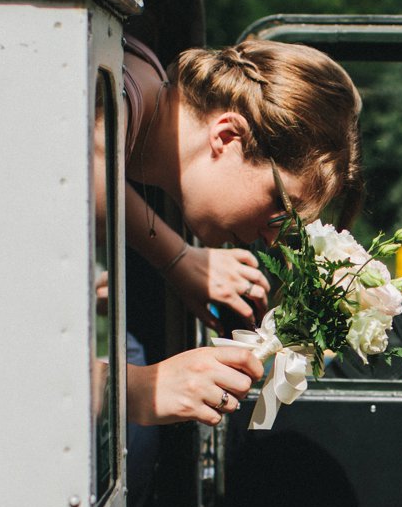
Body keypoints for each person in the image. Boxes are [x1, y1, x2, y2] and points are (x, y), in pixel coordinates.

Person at [113, 37, 363, 428]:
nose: (273, 238)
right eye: (280, 206)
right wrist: (138, 388)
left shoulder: (138, 88)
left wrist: (179, 262)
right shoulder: (109, 107)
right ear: (228, 136)